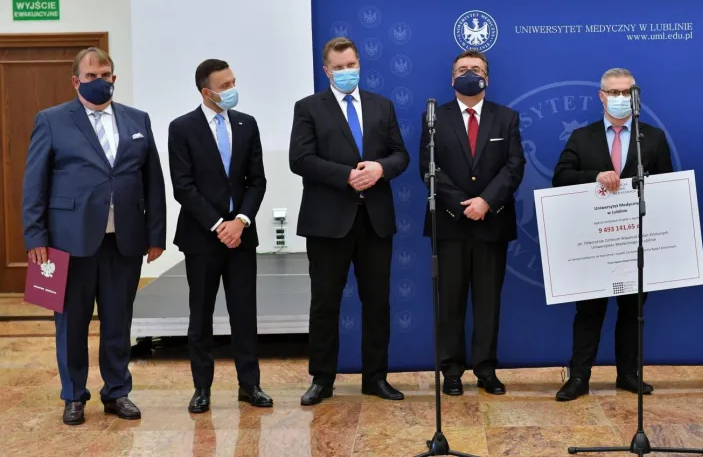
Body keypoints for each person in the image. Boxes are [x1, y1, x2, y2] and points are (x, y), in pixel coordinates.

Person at [21, 47, 167, 424]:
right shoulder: (52, 120)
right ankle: (74, 395)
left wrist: (156, 234)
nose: (100, 81)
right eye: (91, 76)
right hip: (68, 242)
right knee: (71, 322)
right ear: (76, 81)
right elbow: (34, 183)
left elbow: (153, 182)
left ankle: (117, 392)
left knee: (118, 321)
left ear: (114, 78)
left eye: (106, 74)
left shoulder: (138, 119)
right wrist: (36, 237)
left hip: (125, 241)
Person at [289, 37, 410, 406]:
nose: (347, 72)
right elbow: (300, 159)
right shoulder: (309, 107)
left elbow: (400, 155)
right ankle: (322, 380)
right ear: (326, 71)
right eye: (339, 67)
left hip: (374, 221)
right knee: (325, 304)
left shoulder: (382, 106)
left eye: (352, 65)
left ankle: (376, 377)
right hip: (327, 222)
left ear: (360, 64)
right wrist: (347, 175)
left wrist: (379, 168)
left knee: (377, 303)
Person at [551, 68, 673, 401]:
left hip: (634, 242)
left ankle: (629, 374)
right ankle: (578, 378)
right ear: (601, 96)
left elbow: (666, 189)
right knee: (588, 312)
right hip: (594, 242)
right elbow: (560, 177)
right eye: (614, 93)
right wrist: (595, 176)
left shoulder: (654, 138)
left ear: (637, 96)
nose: (620, 99)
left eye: (627, 92)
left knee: (633, 312)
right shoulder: (581, 136)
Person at [419, 50, 525, 396]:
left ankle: (486, 369)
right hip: (450, 224)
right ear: (452, 79)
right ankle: (451, 370)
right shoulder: (434, 118)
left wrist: (486, 202)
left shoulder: (506, 118)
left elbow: (514, 166)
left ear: (487, 79)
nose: (469, 73)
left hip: (491, 223)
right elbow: (429, 168)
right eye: (462, 69)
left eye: (475, 69)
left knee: (487, 302)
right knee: (449, 302)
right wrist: (461, 205)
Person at [167, 59, 271, 413]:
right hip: (202, 238)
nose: (232, 89)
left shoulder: (247, 124)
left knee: (244, 313)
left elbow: (257, 180)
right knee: (201, 315)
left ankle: (250, 385)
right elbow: (183, 186)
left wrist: (240, 220)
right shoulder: (182, 128)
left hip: (241, 235)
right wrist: (217, 224)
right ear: (206, 91)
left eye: (233, 82)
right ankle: (202, 388)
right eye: (224, 85)